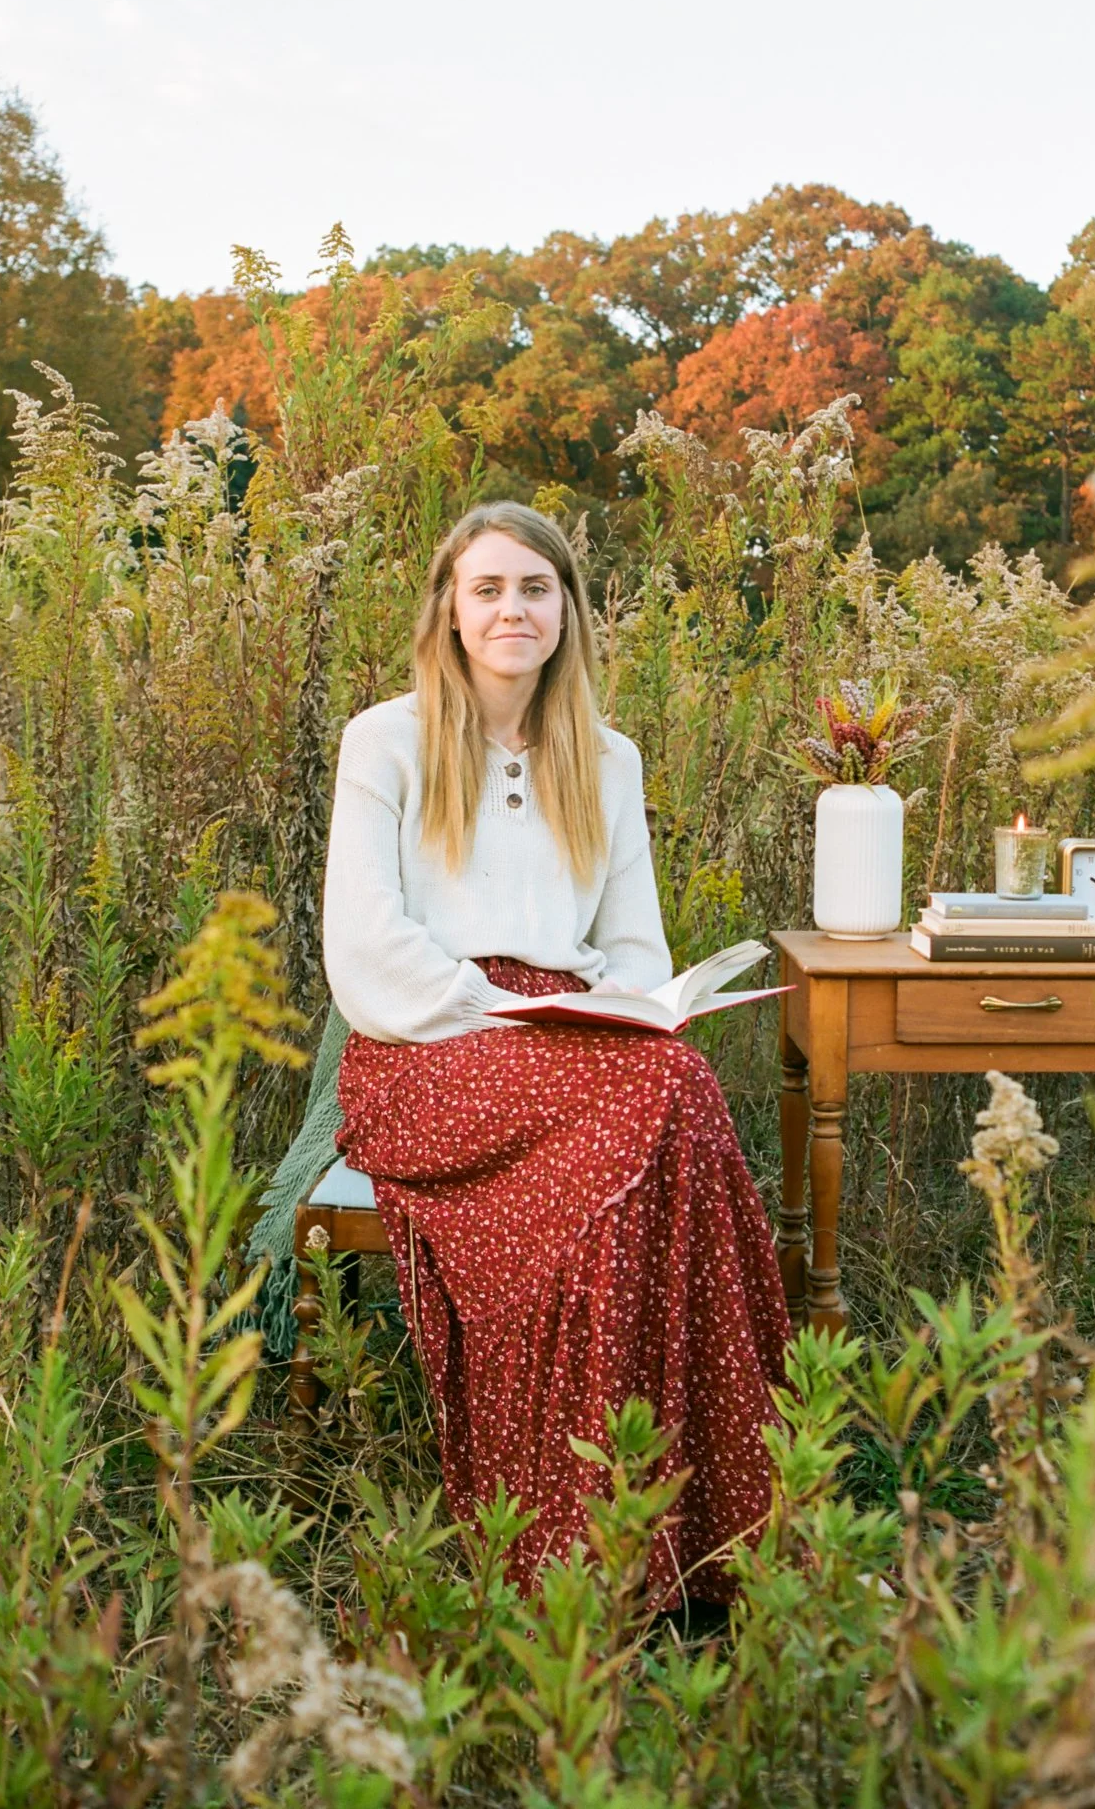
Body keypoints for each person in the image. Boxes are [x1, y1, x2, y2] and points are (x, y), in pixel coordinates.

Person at [320, 500, 790, 1606]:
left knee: (666, 1079)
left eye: (534, 588)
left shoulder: (606, 759)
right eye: (485, 588)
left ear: (569, 610)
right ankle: (604, 1541)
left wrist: (628, 1008)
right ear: (447, 608)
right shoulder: (384, 739)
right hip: (423, 1042)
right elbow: (365, 944)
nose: (510, 609)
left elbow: (631, 944)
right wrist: (501, 1017)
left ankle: (674, 1542)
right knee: (664, 1092)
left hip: (577, 1046)